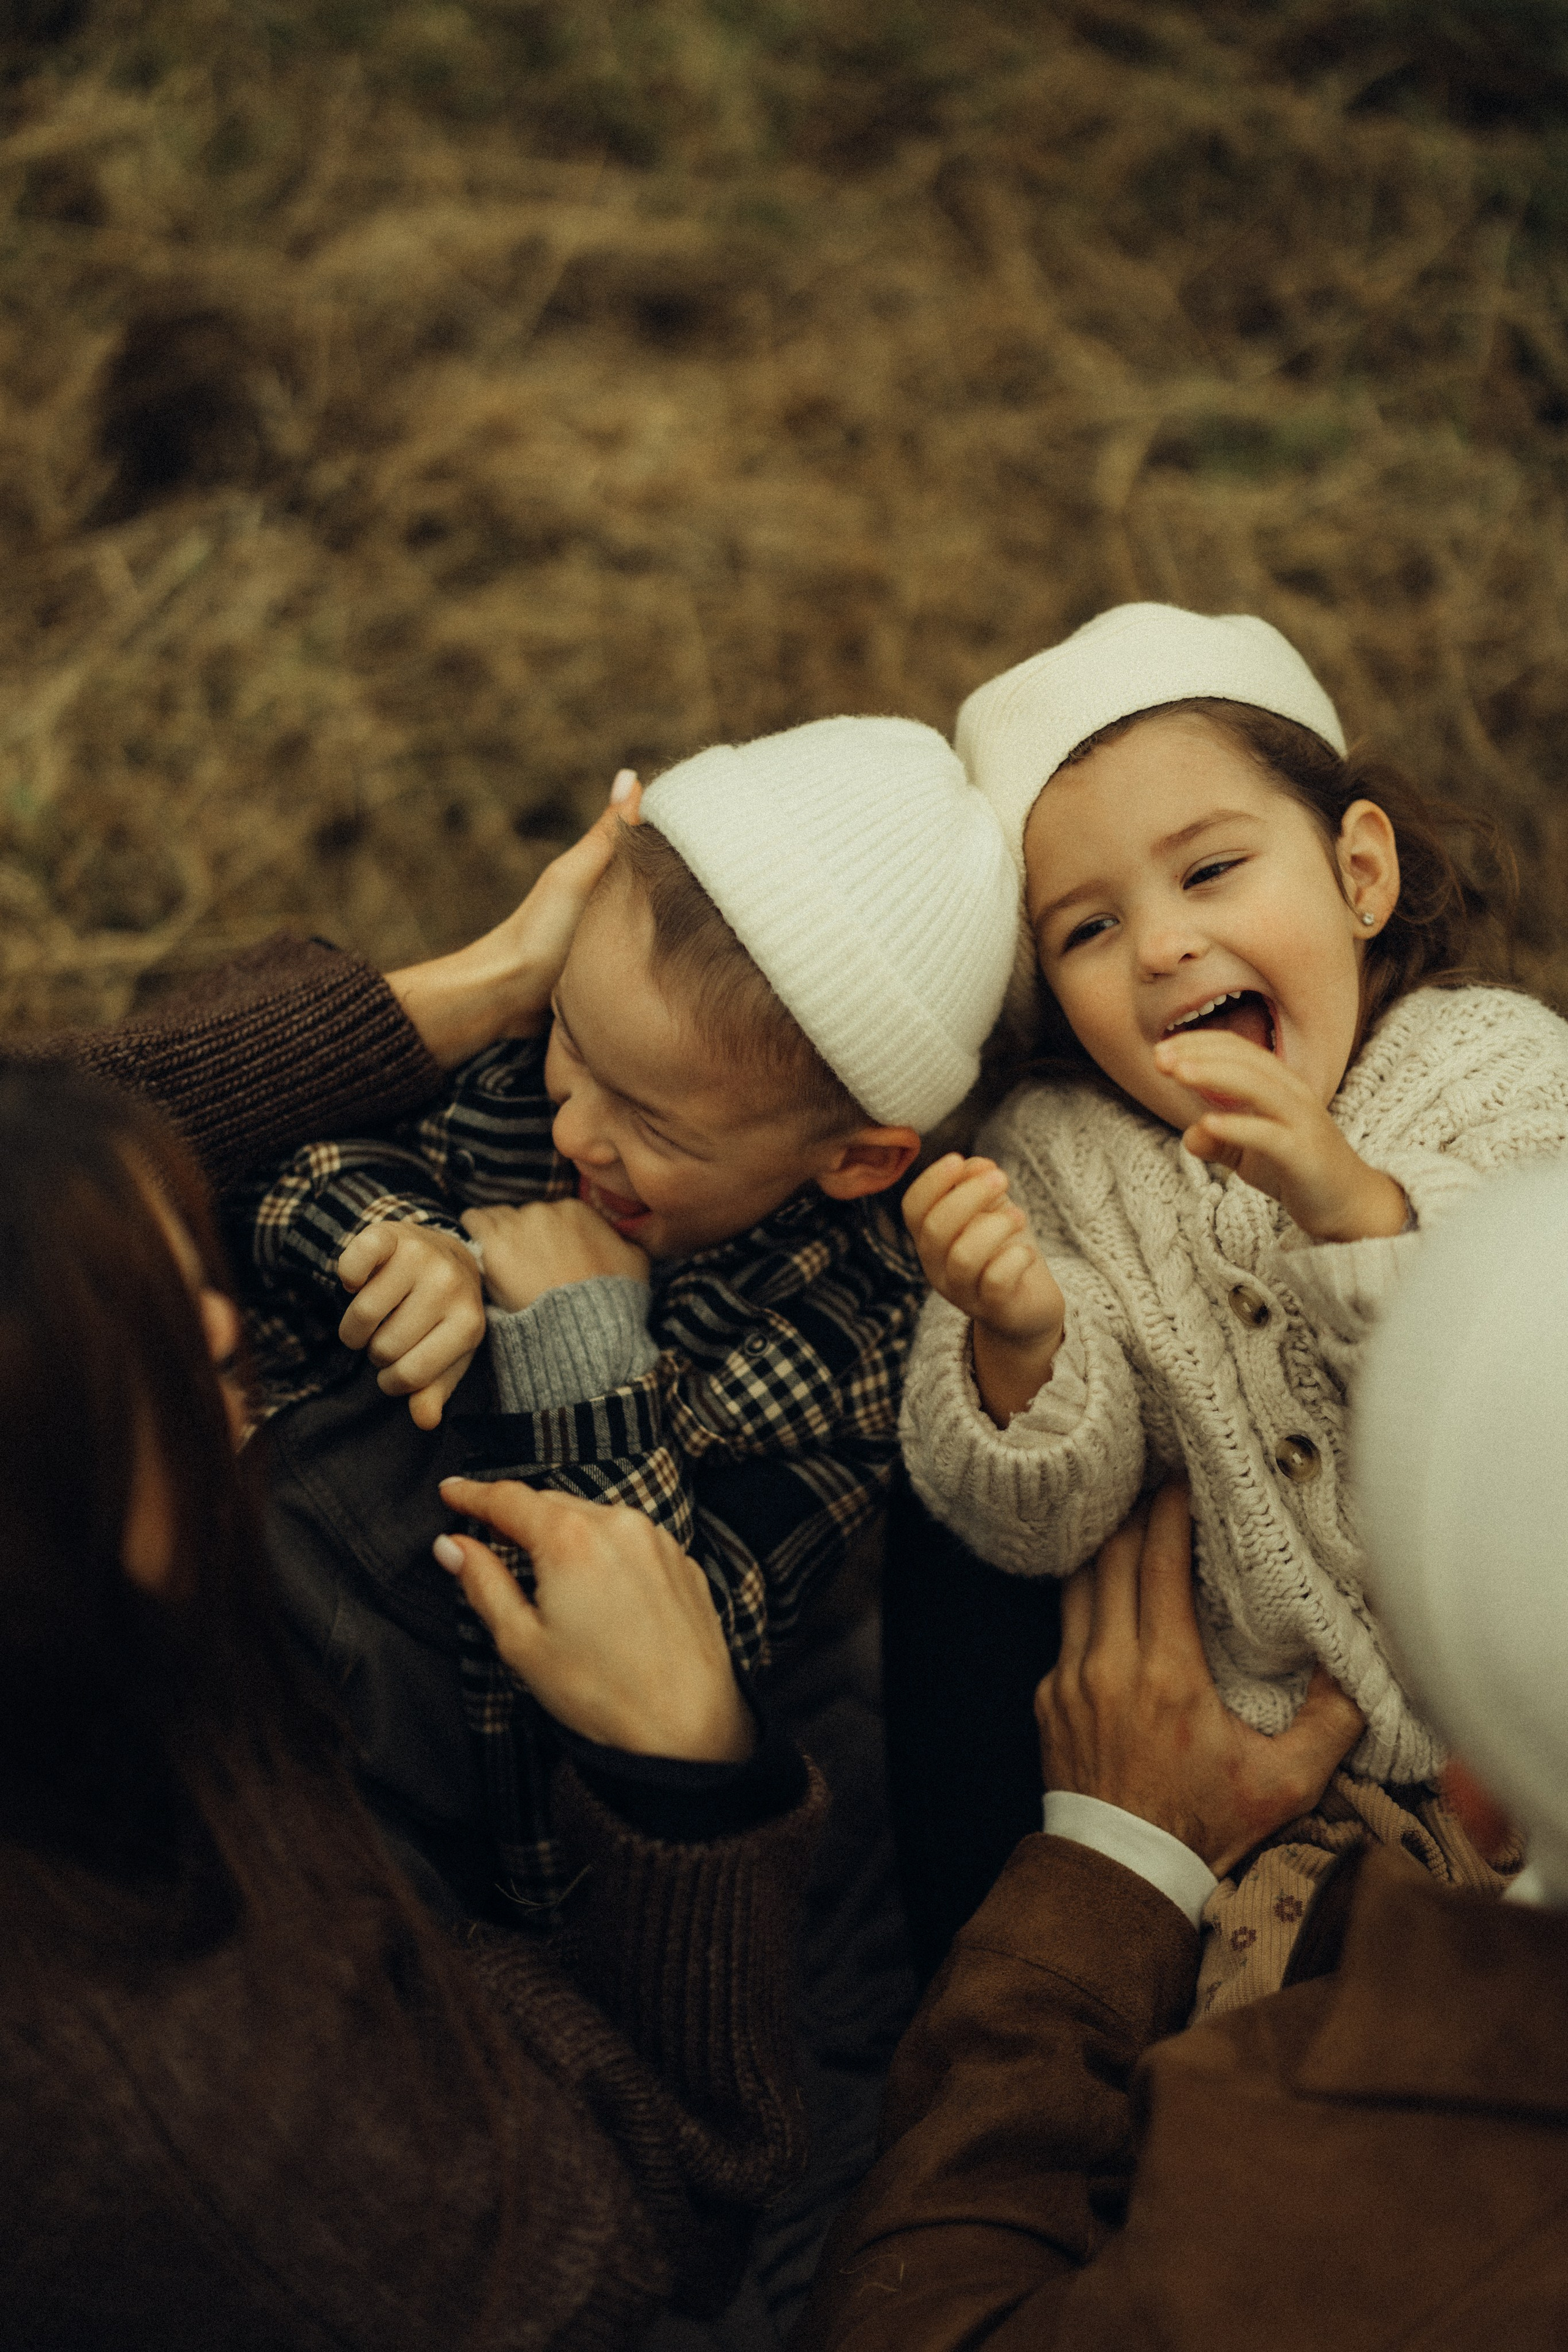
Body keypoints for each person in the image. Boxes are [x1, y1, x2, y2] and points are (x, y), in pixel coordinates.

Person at [0, 1063, 824, 2351]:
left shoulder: (87, 1693)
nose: (236, 1342)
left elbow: (110, 1105)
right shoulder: (208, 2114)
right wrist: (688, 1778)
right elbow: (660, 2237)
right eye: (188, 1366)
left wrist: (487, 979)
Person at [228, 716, 1016, 1915]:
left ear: (857, 1161)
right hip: (227, 1576)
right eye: (572, 1042)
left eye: (652, 1127)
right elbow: (262, 1172)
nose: (571, 1129)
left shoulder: (841, 1353)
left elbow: (667, 1663)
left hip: (406, 1799)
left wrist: (581, 1350)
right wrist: (389, 1238)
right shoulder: (515, 1078)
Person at [899, 600, 1568, 2007]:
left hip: (1538, 1732)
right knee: (1261, 2109)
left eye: (1208, 869)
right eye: (1088, 928)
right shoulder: (1057, 1162)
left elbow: (1527, 1374)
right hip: (1288, 1833)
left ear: (1359, 874)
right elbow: (1038, 1521)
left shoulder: (1493, 1068)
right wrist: (1017, 1343)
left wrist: (1352, 1209)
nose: (1159, 946)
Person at [797, 1159, 1568, 2349]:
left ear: (1468, 1785)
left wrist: (1111, 1863)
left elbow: (908, 2325)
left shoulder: (1293, 2190)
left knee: (968, 1514)